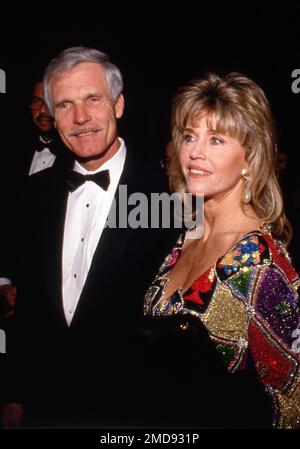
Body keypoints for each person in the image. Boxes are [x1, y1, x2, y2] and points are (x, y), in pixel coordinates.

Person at [1, 46, 179, 428]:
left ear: (118, 105)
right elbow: (29, 308)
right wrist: (14, 393)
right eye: (65, 105)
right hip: (49, 407)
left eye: (92, 99)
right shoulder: (35, 194)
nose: (80, 118)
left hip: (136, 412)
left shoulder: (169, 195)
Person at [144, 72, 300, 428]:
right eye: (189, 136)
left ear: (250, 158)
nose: (194, 152)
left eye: (216, 140)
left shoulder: (259, 265)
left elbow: (291, 401)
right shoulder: (185, 239)